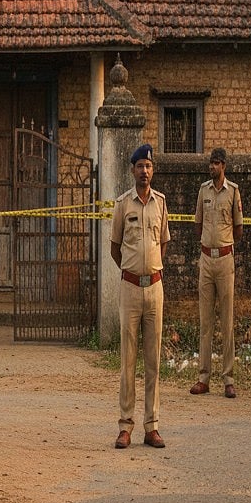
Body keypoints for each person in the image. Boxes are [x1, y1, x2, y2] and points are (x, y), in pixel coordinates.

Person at [110, 143, 170, 449]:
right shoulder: (123, 205)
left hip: (155, 288)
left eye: (148, 166)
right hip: (130, 288)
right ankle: (125, 425)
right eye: (139, 167)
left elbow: (164, 243)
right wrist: (133, 271)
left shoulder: (160, 203)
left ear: (152, 170)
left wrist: (151, 270)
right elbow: (114, 248)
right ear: (132, 170)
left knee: (153, 360)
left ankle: (152, 426)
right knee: (128, 360)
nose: (144, 171)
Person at [189, 147, 244, 398]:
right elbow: (198, 223)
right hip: (206, 260)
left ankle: (228, 379)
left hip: (224, 260)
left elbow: (239, 227)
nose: (211, 167)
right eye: (210, 163)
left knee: (227, 320)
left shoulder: (232, 191)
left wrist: (224, 245)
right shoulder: (203, 190)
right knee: (205, 321)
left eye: (215, 163)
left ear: (223, 165)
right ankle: (203, 377)